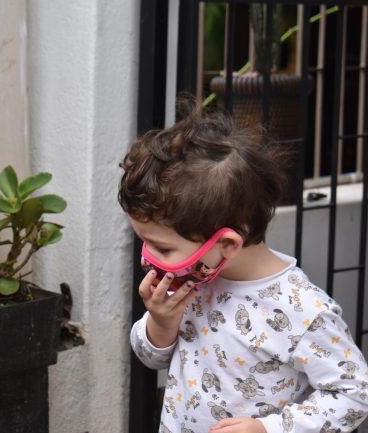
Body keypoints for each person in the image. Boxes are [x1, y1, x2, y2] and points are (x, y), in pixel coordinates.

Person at [119, 105, 368, 432]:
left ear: (227, 244)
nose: (146, 258)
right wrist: (161, 323)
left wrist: (269, 429)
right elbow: (150, 358)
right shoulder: (192, 280)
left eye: (162, 247)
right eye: (145, 242)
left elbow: (355, 394)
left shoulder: (303, 311)